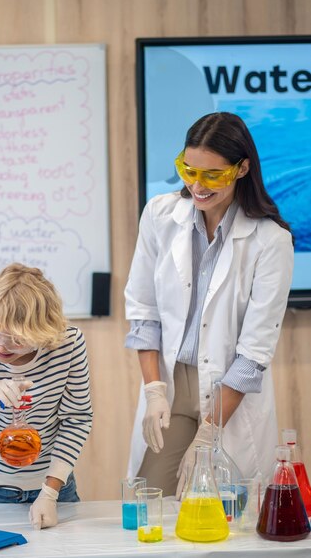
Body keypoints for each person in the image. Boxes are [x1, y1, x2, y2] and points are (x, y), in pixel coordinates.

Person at [124, 111, 294, 498]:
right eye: (187, 169)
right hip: (170, 381)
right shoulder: (160, 215)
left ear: (241, 168)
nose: (196, 185)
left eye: (211, 175)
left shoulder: (270, 242)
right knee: (151, 499)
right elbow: (144, 314)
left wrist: (209, 434)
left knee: (218, 513)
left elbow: (253, 353)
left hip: (228, 391)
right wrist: (153, 391)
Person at [0, 263, 92, 529]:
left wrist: (49, 492)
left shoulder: (68, 345)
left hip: (55, 487)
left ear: (43, 331)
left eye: (16, 338)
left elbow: (76, 419)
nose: (1, 345)